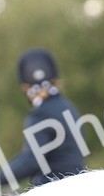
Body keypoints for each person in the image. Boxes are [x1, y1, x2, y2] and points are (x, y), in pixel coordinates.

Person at [5, 48, 87, 188]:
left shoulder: (40, 114)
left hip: (52, 190)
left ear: (25, 87)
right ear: (55, 80)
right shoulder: (70, 108)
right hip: (77, 185)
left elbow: (30, 161)